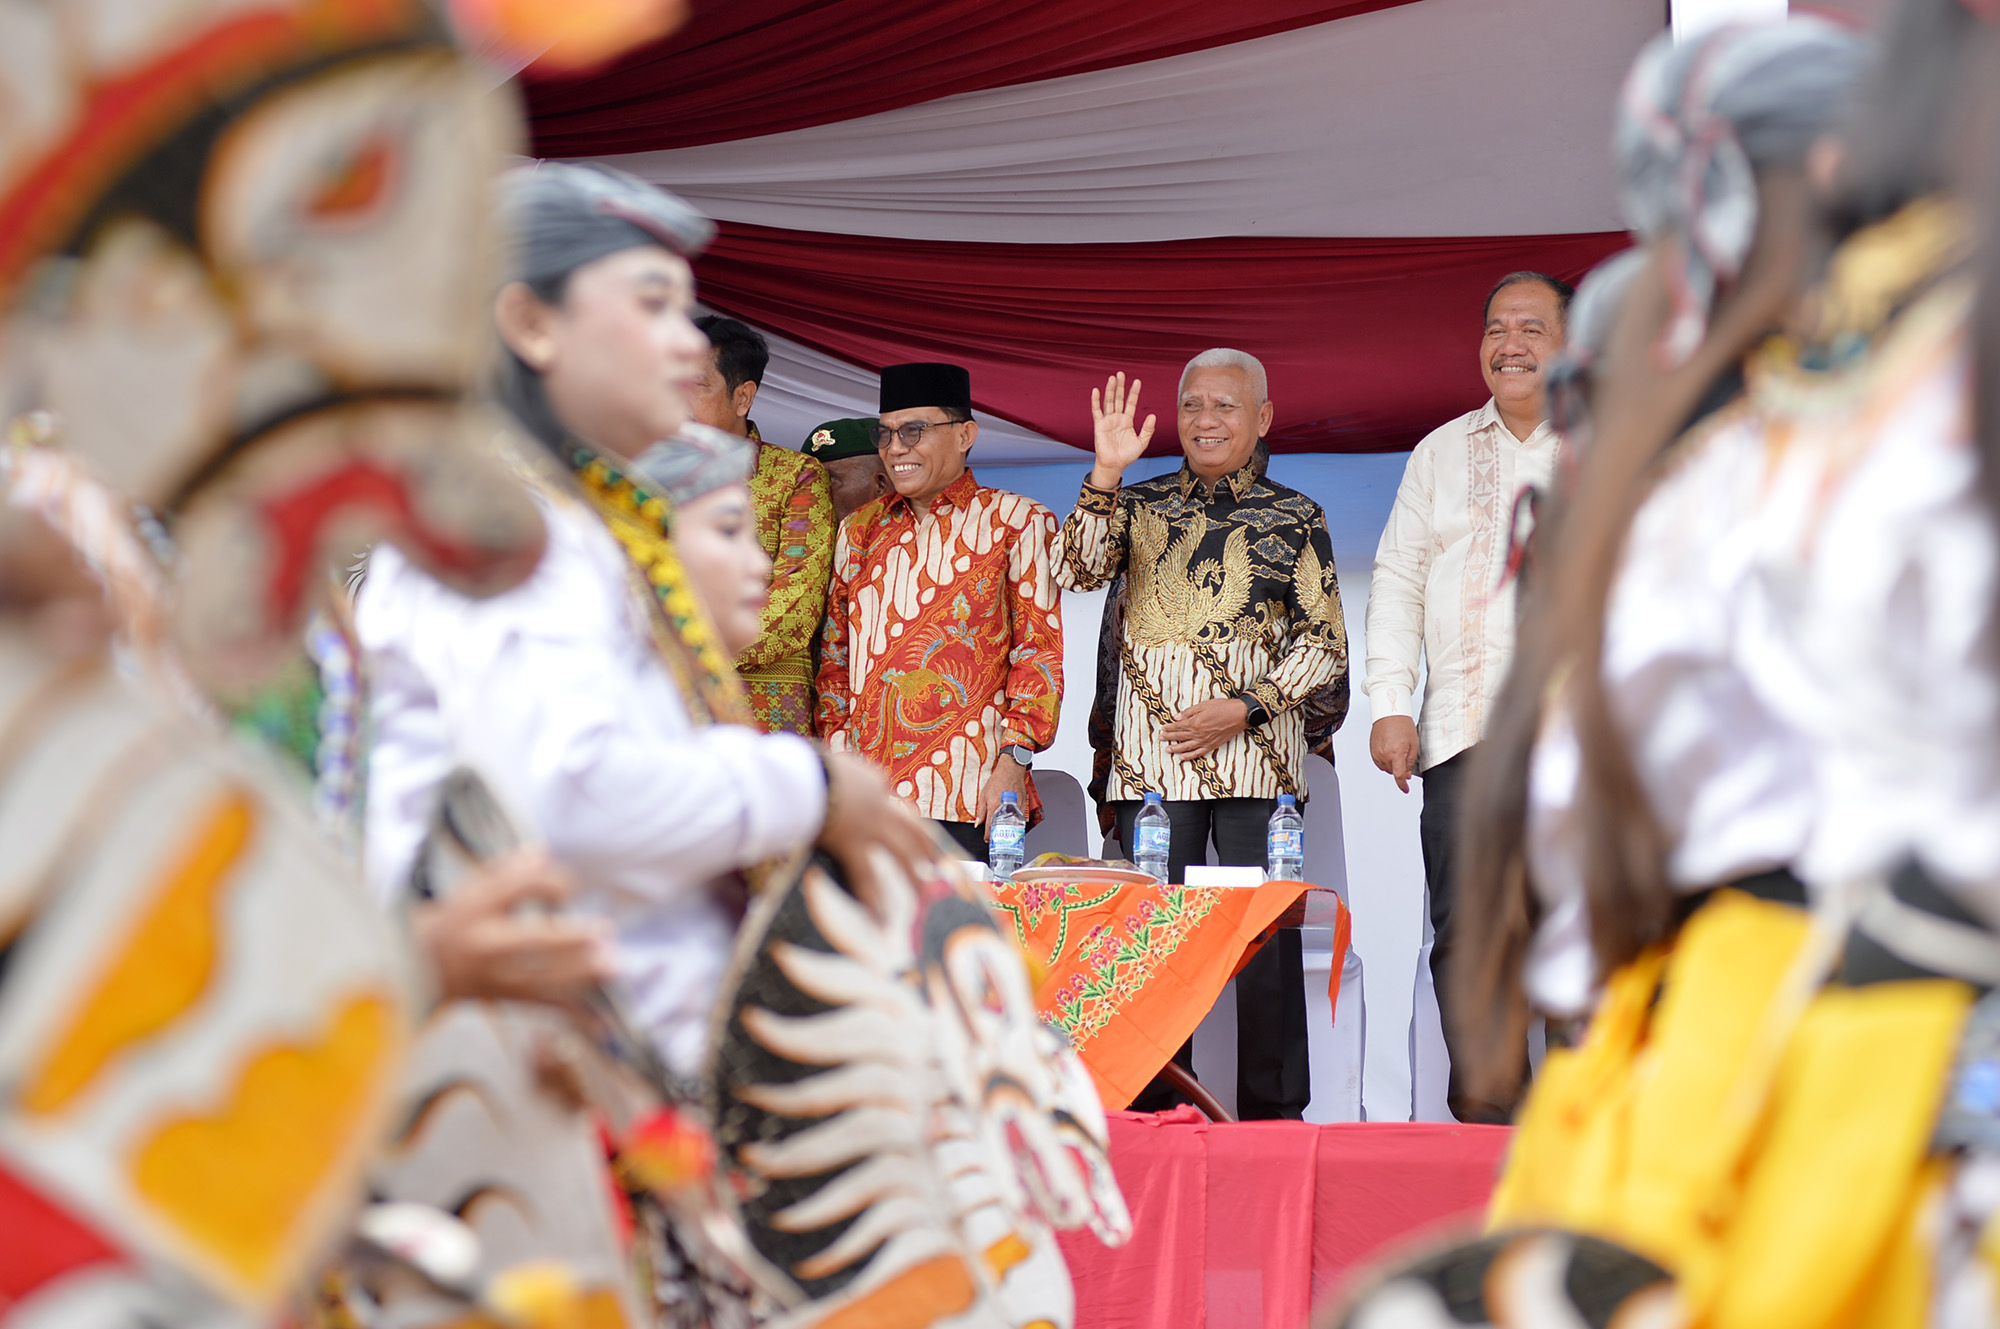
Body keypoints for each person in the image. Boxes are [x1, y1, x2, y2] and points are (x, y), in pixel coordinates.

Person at [358, 163, 932, 1079]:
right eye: (653, 304)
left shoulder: (575, 520)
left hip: (599, 1070)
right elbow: (576, 795)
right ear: (531, 323)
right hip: (522, 1090)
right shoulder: (505, 532)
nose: (683, 344)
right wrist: (810, 786)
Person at [1053, 349, 1348, 1121]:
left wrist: (1246, 705)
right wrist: (1106, 473)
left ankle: (1276, 1119)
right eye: (1193, 406)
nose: (1206, 420)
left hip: (1256, 760)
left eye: (1224, 406)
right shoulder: (1138, 504)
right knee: (1150, 946)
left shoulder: (1296, 515)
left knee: (1264, 947)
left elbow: (1325, 643)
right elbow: (1077, 571)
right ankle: (1152, 1112)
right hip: (1152, 767)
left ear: (1262, 418)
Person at [1363, 270, 1572, 1121]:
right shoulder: (1440, 452)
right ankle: (1486, 1139)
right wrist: (1388, 702)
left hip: (1584, 747)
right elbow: (1399, 578)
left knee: (1586, 937)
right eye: (1496, 327)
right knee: (1471, 943)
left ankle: (1587, 1134)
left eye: (1532, 326)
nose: (1509, 344)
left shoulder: (1618, 441)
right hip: (1463, 737)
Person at [816, 362, 1063, 861]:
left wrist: (1015, 761)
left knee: (959, 934)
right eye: (884, 434)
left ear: (966, 434)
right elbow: (835, 659)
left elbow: (1039, 654)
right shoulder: (858, 531)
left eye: (914, 430)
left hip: (970, 791)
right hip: (870, 796)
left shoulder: (1018, 521)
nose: (896, 448)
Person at [687, 315, 835, 736]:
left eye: (695, 387)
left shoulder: (796, 476)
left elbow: (796, 603)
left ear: (742, 397)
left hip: (762, 719)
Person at [802, 416, 894, 522]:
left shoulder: (912, 537)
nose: (812, 492)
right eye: (805, 482)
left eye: (829, 480)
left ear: (880, 485)